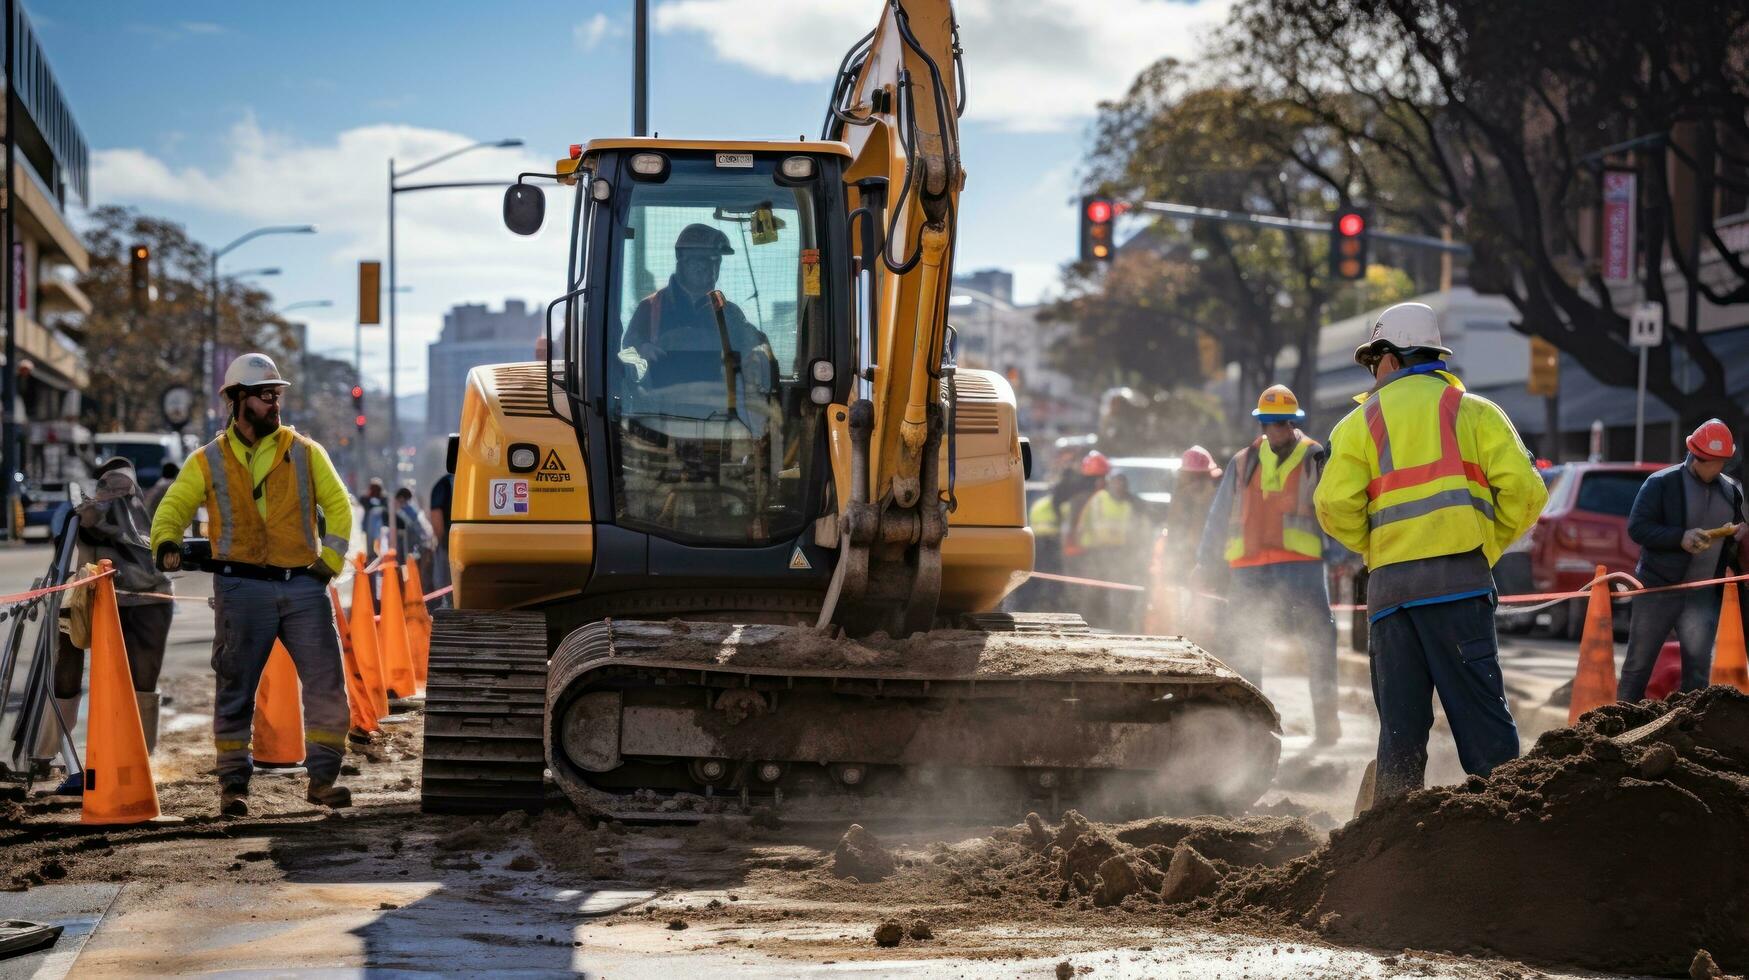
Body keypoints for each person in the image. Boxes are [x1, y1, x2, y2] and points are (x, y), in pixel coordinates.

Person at [1315, 302, 1547, 798]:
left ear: (1393, 359)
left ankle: (1393, 849)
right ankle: (1512, 831)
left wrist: (1377, 545)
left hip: (1391, 594)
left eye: (1373, 362)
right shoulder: (1476, 413)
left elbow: (1333, 506)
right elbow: (1529, 494)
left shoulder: (1357, 424)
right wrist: (1485, 546)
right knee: (1484, 726)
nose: (1373, 374)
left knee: (1399, 735)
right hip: (1460, 586)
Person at [149, 352, 355, 815]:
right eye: (265, 396)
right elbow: (173, 508)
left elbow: (340, 508)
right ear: (239, 399)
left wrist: (329, 562)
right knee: (235, 686)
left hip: (304, 586)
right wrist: (165, 541)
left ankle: (323, 779)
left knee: (325, 683)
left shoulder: (304, 451)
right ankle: (233, 787)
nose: (274, 404)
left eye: (276, 395)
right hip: (241, 590)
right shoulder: (208, 460)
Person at [1196, 386, 1341, 745]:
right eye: (1268, 423)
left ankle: (1326, 724)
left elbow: (1333, 506)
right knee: (1244, 644)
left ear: (1293, 422)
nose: (1274, 429)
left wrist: (1342, 555)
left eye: (1280, 423)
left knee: (1320, 640)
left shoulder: (1315, 456)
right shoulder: (1242, 461)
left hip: (1301, 564)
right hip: (1249, 567)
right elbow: (1218, 516)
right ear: (1261, 423)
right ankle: (1252, 726)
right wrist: (1205, 561)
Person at [38, 457, 177, 793]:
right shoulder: (92, 507)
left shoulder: (139, 504)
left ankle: (135, 759)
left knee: (141, 680)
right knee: (68, 671)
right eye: (107, 485)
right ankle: (50, 753)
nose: (115, 491)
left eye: (120, 485)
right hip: (95, 597)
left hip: (143, 598)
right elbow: (69, 535)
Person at [1618, 420, 1747, 701]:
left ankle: (1690, 732)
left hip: (1702, 595)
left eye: (1722, 462)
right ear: (1695, 456)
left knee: (1698, 671)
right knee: (1638, 665)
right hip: (1659, 589)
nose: (1718, 468)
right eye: (1713, 462)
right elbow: (1637, 528)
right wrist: (1680, 537)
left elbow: (1736, 531)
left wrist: (1737, 533)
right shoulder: (1661, 483)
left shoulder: (1730, 491)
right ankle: (1621, 722)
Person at [618, 223, 775, 383]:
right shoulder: (651, 307)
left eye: (716, 262)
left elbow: (754, 343)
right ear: (683, 262)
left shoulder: (728, 312)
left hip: (720, 404)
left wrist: (759, 353)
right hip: (658, 404)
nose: (712, 270)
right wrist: (643, 348)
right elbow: (629, 347)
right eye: (703, 261)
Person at [1072, 469, 1147, 630]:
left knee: (1116, 591)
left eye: (1122, 483)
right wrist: (1084, 548)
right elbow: (1083, 524)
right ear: (1111, 483)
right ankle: (1085, 624)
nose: (1119, 486)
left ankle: (1115, 625)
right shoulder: (1098, 500)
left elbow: (1133, 531)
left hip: (1118, 553)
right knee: (1091, 591)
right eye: (1116, 482)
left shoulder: (1128, 506)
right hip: (1095, 552)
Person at [428, 472, 453, 609]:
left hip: (449, 540)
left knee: (444, 581)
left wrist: (441, 540)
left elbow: (436, 514)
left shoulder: (443, 484)